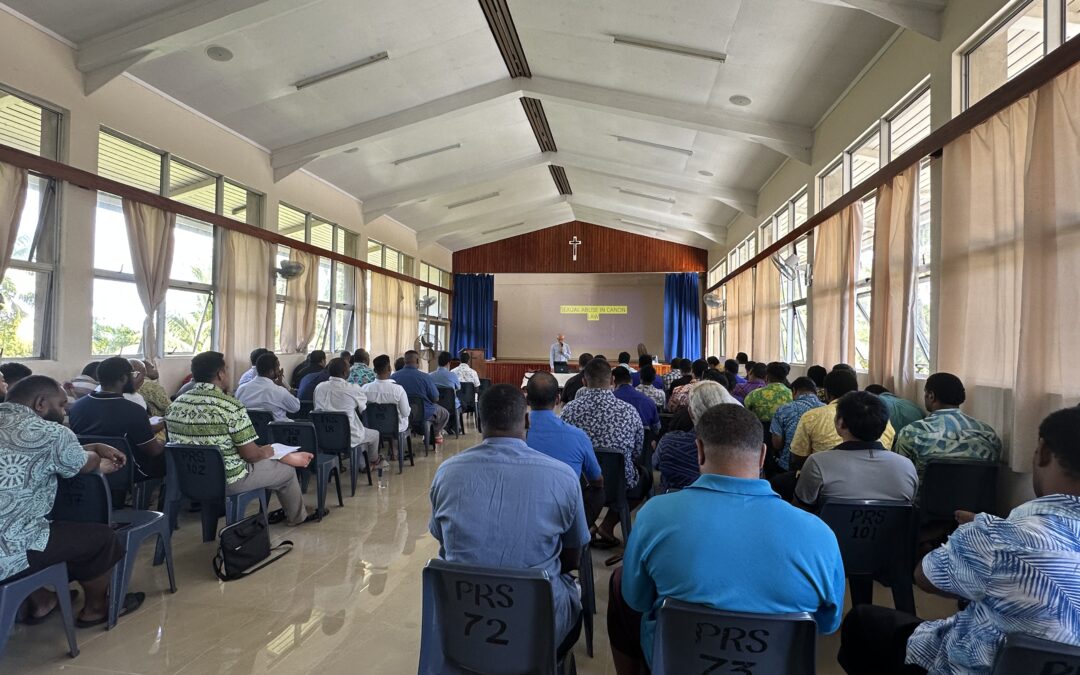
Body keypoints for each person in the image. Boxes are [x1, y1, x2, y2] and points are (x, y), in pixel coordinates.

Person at [838, 407, 1080, 675]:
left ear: (1043, 451)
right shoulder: (988, 436)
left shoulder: (996, 538)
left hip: (971, 664)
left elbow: (924, 577)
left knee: (863, 621)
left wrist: (979, 533)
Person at [610, 403, 846, 674]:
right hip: (777, 667)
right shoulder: (819, 534)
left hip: (675, 663)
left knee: (621, 584)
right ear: (762, 456)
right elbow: (828, 623)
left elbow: (636, 599)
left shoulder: (655, 514)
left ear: (698, 451)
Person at [429, 383, 590, 648]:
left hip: (461, 624)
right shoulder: (562, 476)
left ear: (480, 421)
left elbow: (444, 543)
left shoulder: (447, 473)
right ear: (527, 420)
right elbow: (573, 556)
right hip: (538, 628)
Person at [0, 376, 141, 627]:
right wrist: (95, 455)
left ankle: (41, 600)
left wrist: (92, 445)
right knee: (102, 538)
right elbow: (85, 463)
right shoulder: (49, 432)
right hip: (7, 545)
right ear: (41, 404)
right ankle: (96, 609)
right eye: (62, 405)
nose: (64, 411)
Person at [166, 351, 315, 526]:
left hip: (188, 478)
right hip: (230, 479)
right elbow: (251, 456)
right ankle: (297, 517)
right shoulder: (229, 406)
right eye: (226, 370)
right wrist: (267, 450)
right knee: (288, 472)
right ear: (220, 374)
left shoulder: (175, 405)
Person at [561, 358, 648, 547]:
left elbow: (564, 447)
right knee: (644, 479)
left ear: (584, 381)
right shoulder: (629, 411)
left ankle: (589, 524)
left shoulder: (569, 411)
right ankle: (607, 525)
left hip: (579, 483)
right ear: (612, 382)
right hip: (618, 483)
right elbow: (637, 451)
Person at [794, 391, 918, 510]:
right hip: (891, 532)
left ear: (840, 423)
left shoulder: (818, 463)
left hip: (831, 531)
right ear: (884, 425)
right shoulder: (907, 467)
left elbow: (800, 511)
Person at [68, 357, 166, 479]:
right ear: (124, 378)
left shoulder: (77, 407)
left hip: (88, 469)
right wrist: (164, 443)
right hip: (128, 470)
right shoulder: (134, 410)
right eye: (133, 375)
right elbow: (153, 451)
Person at [892, 372, 1002, 482]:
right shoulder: (988, 434)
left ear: (931, 395)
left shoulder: (912, 432)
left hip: (925, 498)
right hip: (978, 499)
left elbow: (898, 474)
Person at [526, 372, 604, 523]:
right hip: (564, 514)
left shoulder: (514, 436)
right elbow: (597, 480)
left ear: (528, 400)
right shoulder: (578, 436)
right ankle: (582, 531)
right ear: (557, 399)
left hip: (524, 508)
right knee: (598, 492)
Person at [791, 369, 896, 466]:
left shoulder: (812, 416)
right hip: (877, 473)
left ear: (826, 393)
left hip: (826, 474)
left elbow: (798, 458)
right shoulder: (879, 416)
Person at [656, 381, 732, 492]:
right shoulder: (738, 446)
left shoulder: (669, 442)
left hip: (675, 502)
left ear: (691, 412)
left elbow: (655, 464)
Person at [314, 358, 380, 469]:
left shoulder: (319, 387)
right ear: (345, 373)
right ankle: (373, 461)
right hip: (349, 436)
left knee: (353, 432)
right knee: (374, 434)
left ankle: (361, 463)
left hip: (324, 436)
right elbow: (362, 408)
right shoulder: (353, 389)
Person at [392, 351, 450, 444]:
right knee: (445, 413)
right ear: (418, 361)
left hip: (400, 413)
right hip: (424, 413)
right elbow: (435, 398)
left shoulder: (394, 377)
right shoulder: (425, 377)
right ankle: (434, 434)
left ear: (405, 361)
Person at [770, 376, 825, 474]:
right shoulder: (826, 410)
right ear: (815, 391)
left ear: (794, 391)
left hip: (787, 467)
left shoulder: (783, 409)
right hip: (818, 469)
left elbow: (777, 444)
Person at [361, 355, 412, 455]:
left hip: (372, 427)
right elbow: (405, 413)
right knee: (402, 416)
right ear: (389, 368)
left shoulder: (365, 388)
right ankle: (394, 449)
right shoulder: (398, 389)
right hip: (396, 427)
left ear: (374, 370)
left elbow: (361, 410)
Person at [234, 352, 300, 421]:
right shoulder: (278, 391)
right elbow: (296, 407)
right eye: (278, 367)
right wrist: (282, 386)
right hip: (277, 430)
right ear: (271, 372)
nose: (279, 371)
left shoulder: (241, 389)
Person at [613, 366, 659, 434]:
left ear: (613, 382)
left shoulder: (611, 400)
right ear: (631, 381)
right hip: (645, 441)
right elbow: (657, 428)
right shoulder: (649, 401)